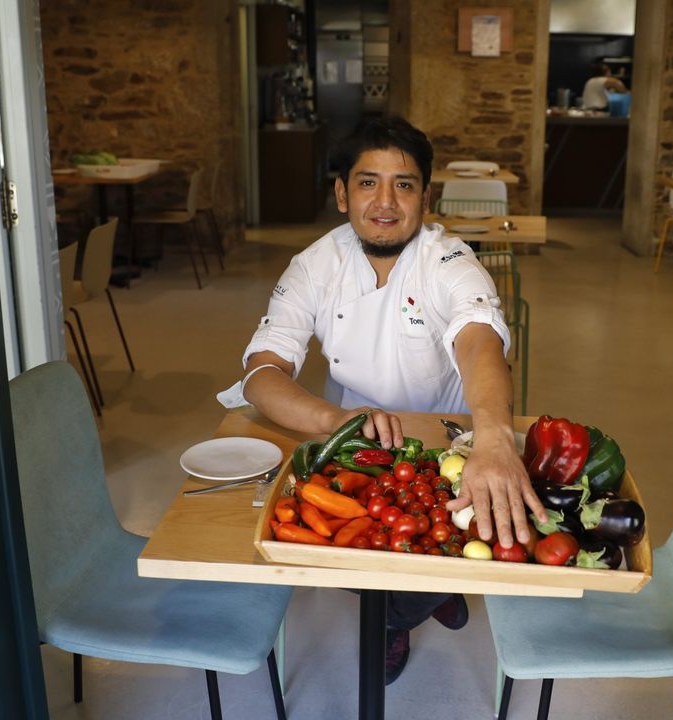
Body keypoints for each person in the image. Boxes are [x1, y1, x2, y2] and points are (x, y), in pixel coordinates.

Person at [221, 116, 547, 683]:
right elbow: (261, 373)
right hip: (354, 438)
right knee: (331, 535)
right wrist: (337, 419)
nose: (386, 202)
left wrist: (494, 438)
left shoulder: (449, 261)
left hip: (445, 442)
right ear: (342, 193)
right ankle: (416, 600)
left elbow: (480, 343)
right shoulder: (315, 266)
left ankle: (405, 607)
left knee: (441, 537)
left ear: (427, 195)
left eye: (405, 183)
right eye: (368, 182)